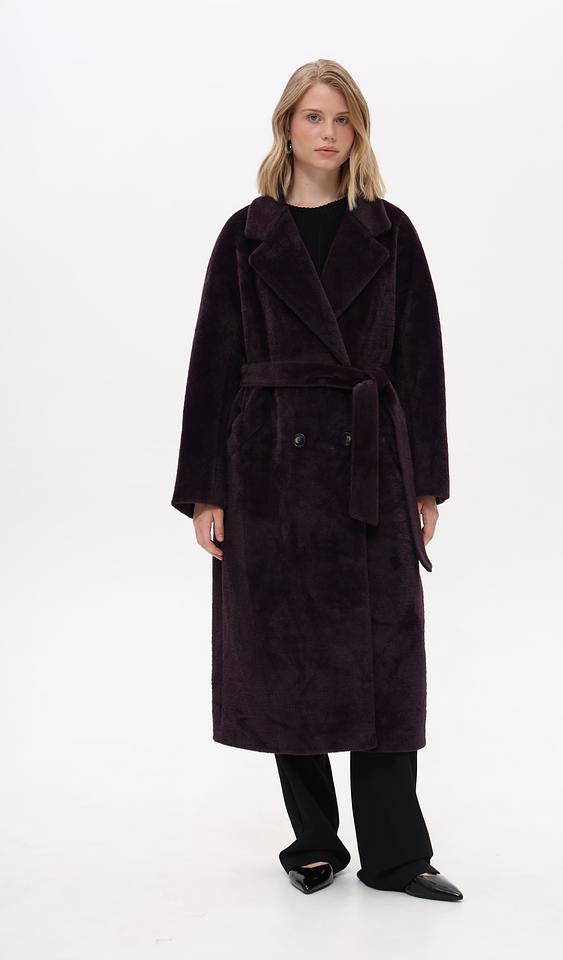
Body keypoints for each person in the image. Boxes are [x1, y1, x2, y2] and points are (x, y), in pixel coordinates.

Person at [170, 59, 462, 901]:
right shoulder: (247, 234)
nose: (329, 133)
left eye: (342, 119)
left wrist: (426, 482)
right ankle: (314, 841)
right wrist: (207, 490)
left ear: (357, 131)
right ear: (287, 128)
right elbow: (212, 362)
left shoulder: (389, 231)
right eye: (313, 117)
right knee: (283, 654)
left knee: (386, 656)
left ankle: (397, 856)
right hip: (268, 468)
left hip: (371, 465)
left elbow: (421, 360)